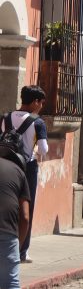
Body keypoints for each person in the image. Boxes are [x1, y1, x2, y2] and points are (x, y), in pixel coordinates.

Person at [1, 85, 48, 262]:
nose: (41, 107)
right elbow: (43, 149)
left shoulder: (5, 117)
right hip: (26, 168)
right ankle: (22, 251)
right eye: (41, 103)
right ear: (35, 101)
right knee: (27, 209)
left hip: (4, 166)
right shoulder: (38, 122)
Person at [0, 141, 30, 289]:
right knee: (10, 284)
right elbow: (25, 217)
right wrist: (18, 246)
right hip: (8, 233)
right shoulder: (19, 173)